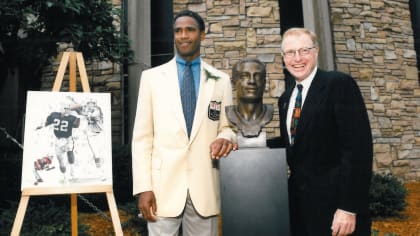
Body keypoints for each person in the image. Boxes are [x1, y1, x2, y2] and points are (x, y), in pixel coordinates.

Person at [132, 10, 237, 236]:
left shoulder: (221, 81)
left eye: (190, 30)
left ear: (202, 35)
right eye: (178, 31)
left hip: (205, 188)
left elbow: (227, 127)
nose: (183, 35)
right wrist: (143, 187)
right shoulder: (151, 78)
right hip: (162, 190)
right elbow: (142, 138)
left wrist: (225, 138)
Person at [277, 27, 373, 236]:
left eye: (304, 50)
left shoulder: (338, 85)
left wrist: (348, 207)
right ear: (283, 58)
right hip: (301, 212)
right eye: (290, 53)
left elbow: (357, 150)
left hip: (337, 213)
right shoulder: (286, 99)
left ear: (316, 51)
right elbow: (295, 143)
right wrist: (246, 144)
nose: (297, 58)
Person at [226, 58, 274, 138]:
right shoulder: (229, 113)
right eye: (244, 76)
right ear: (234, 83)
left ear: (264, 84)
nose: (252, 81)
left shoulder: (269, 112)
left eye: (257, 76)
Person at [38, 103, 80, 183]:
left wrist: (78, 117)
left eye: (68, 108)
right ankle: (64, 176)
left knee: (70, 152)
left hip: (68, 139)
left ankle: (72, 170)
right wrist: (42, 125)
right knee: (60, 160)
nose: (67, 110)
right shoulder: (54, 115)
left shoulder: (72, 117)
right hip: (58, 139)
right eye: (65, 108)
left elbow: (76, 125)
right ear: (61, 108)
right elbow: (48, 122)